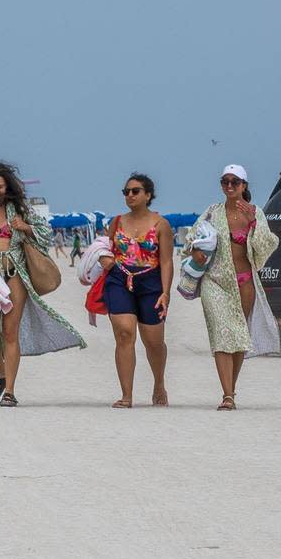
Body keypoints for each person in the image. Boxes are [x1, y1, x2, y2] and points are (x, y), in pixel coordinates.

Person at [0, 160, 86, 407]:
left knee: (10, 332)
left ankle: (9, 390)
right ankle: (0, 371)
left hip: (14, 273)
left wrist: (25, 227)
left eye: (0, 185)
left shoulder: (20, 208)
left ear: (8, 185)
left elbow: (45, 233)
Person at [185, 164, 280, 410]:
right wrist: (195, 250)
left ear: (244, 186)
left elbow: (267, 246)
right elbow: (190, 238)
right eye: (225, 181)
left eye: (234, 182)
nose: (229, 186)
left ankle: (232, 389)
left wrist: (253, 224)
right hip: (215, 281)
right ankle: (227, 395)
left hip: (245, 281)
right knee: (220, 336)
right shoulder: (212, 212)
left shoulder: (255, 212)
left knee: (238, 337)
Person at [98, 173, 173, 408]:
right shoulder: (117, 222)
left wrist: (166, 292)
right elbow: (104, 247)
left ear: (148, 195)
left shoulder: (161, 225)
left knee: (153, 342)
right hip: (119, 279)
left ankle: (159, 384)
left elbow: (167, 261)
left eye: (135, 191)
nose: (129, 195)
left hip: (151, 282)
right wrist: (103, 258)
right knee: (124, 333)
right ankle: (126, 395)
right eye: (126, 192)